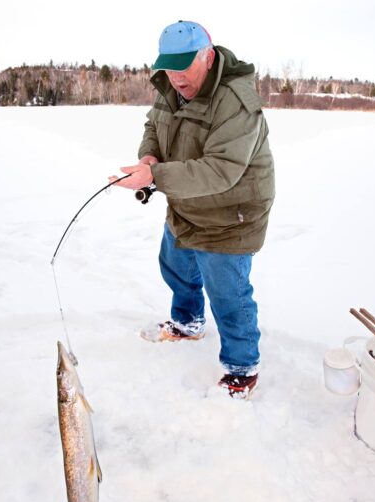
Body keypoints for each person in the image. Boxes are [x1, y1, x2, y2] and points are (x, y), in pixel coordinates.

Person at [110, 20, 275, 399]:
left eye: (184, 68)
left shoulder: (235, 100)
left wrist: (155, 175)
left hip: (231, 212)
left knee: (228, 293)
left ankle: (241, 367)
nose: (176, 78)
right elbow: (154, 124)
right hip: (187, 202)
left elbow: (222, 171)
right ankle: (187, 322)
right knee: (176, 264)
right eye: (169, 68)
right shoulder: (171, 86)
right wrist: (148, 155)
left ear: (208, 56)